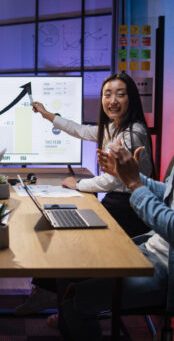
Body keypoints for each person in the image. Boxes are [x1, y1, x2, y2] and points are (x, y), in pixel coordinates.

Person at [15, 72, 156, 316]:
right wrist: (47, 114)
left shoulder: (131, 134)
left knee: (72, 236)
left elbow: (111, 181)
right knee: (65, 225)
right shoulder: (115, 127)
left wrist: (78, 184)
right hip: (120, 202)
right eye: (107, 94)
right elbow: (80, 130)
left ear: (131, 99)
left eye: (120, 94)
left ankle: (65, 300)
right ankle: (53, 294)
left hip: (130, 209)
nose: (112, 100)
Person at [52, 140, 174, 341]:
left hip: (165, 270)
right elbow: (167, 193)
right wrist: (127, 177)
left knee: (74, 298)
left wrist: (135, 183)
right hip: (151, 248)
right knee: (68, 268)